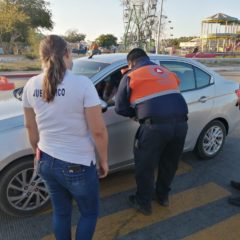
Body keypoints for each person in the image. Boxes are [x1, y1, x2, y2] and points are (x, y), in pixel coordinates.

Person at [22, 35, 108, 240]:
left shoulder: (30, 85)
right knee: (88, 213)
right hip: (77, 163)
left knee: (61, 213)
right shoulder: (83, 84)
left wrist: (37, 152)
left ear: (41, 57)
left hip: (45, 161)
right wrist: (104, 160)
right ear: (67, 54)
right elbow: (98, 131)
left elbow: (30, 127)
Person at [115, 48, 188, 215]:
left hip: (154, 128)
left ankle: (143, 202)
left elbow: (119, 108)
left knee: (145, 166)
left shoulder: (130, 76)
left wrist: (136, 114)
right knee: (169, 163)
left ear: (131, 63)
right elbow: (168, 94)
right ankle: (163, 197)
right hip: (181, 125)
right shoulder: (167, 72)